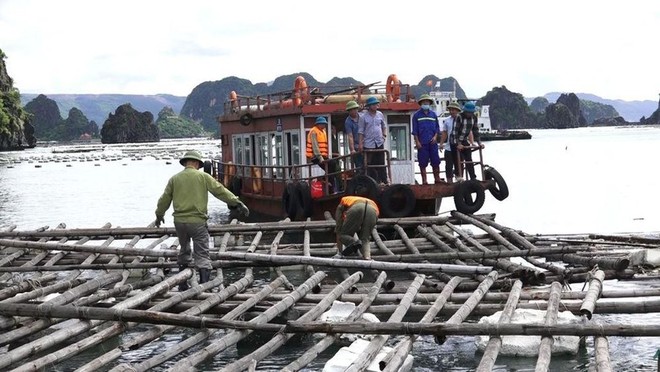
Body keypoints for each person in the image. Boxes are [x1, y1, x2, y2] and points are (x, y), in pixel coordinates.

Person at [155, 150, 249, 291]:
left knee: (184, 250)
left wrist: (159, 215)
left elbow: (164, 200)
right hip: (197, 222)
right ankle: (204, 286)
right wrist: (237, 202)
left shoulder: (174, 179)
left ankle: (182, 285)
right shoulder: (203, 176)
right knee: (202, 253)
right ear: (196, 163)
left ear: (185, 163)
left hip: (179, 222)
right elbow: (220, 191)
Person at [334, 195, 379, 260]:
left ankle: (353, 243)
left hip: (356, 207)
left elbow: (338, 228)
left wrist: (340, 252)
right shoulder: (373, 204)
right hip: (373, 210)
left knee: (343, 234)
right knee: (365, 238)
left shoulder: (342, 202)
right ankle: (367, 258)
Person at [358, 96, 388, 184]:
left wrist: (384, 136)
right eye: (373, 104)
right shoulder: (363, 117)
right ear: (369, 106)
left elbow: (384, 126)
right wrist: (360, 144)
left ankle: (384, 180)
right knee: (369, 163)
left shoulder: (380, 114)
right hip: (368, 143)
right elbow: (361, 131)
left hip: (379, 142)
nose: (376, 106)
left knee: (381, 162)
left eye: (376, 104)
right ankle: (370, 181)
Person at [412, 94, 441, 184]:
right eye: (424, 102)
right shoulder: (416, 115)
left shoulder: (433, 115)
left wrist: (435, 137)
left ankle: (437, 179)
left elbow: (437, 128)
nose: (425, 103)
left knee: (435, 161)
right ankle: (424, 181)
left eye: (427, 102)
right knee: (422, 162)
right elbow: (415, 130)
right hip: (422, 143)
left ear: (429, 103)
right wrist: (417, 142)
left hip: (433, 143)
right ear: (421, 104)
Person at [306, 116, 340, 192]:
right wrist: (320, 157)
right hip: (315, 157)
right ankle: (327, 183)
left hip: (323, 156)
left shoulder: (323, 131)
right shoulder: (314, 131)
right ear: (318, 124)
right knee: (330, 165)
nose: (324, 125)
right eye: (323, 124)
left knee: (332, 166)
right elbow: (315, 146)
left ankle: (327, 183)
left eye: (325, 124)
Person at [456, 101, 484, 180]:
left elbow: (475, 131)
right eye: (468, 112)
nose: (469, 114)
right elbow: (455, 132)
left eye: (471, 112)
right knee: (459, 159)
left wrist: (479, 143)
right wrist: (458, 144)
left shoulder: (474, 117)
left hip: (464, 140)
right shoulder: (459, 117)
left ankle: (473, 178)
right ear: (465, 111)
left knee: (469, 160)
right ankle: (459, 178)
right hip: (455, 140)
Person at [439, 101, 462, 183]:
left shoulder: (461, 120)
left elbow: (468, 132)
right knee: (448, 165)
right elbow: (444, 133)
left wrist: (472, 142)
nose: (452, 111)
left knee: (459, 164)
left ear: (457, 110)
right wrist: (441, 144)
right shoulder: (447, 121)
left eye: (453, 110)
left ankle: (459, 180)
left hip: (459, 146)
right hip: (449, 146)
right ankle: (449, 181)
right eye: (450, 110)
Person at [344, 100, 364, 172]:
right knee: (359, 167)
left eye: (355, 109)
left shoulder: (362, 116)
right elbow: (350, 136)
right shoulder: (348, 122)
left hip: (366, 144)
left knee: (369, 165)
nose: (354, 111)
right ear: (349, 111)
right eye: (352, 110)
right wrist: (352, 149)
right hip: (356, 146)